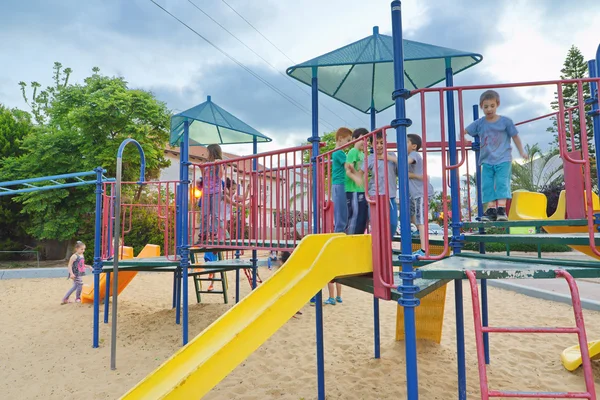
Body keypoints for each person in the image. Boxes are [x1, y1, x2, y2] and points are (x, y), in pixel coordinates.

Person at [466, 90, 527, 221]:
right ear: (481, 106)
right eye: (486, 106)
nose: (489, 109)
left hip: (503, 158)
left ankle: (501, 210)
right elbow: (464, 131)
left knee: (501, 182)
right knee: (487, 184)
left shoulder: (505, 121)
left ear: (497, 104)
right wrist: (463, 140)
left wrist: (521, 151)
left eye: (492, 106)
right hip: (486, 160)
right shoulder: (480, 123)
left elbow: (515, 136)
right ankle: (491, 210)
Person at [349, 130, 399, 237]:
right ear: (372, 144)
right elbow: (360, 174)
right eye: (376, 143)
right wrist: (351, 172)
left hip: (390, 196)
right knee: (377, 224)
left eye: (382, 142)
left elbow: (400, 171)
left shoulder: (392, 155)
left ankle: (385, 247)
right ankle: (377, 248)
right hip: (375, 196)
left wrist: (388, 158)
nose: (379, 145)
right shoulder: (370, 158)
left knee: (393, 224)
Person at [325, 127, 353, 305]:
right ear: (341, 139)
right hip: (340, 184)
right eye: (348, 140)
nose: (349, 143)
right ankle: (339, 236)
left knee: (345, 213)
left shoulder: (339, 152)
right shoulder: (339, 153)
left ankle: (341, 234)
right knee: (342, 215)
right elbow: (348, 166)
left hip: (340, 184)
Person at [345, 128, 369, 235]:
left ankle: (358, 237)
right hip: (353, 189)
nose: (365, 142)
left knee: (362, 217)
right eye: (362, 139)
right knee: (355, 215)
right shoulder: (353, 151)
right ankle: (350, 238)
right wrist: (356, 178)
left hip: (361, 189)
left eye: (367, 140)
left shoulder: (363, 155)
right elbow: (348, 168)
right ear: (354, 139)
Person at [406, 134, 427, 257]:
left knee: (420, 219)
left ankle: (424, 250)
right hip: (414, 193)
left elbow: (406, 162)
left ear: (413, 146)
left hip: (420, 193)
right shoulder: (410, 155)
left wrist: (391, 158)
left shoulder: (414, 155)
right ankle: (419, 231)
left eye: (406, 142)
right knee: (411, 214)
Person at [201, 144, 224, 240]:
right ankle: (204, 233)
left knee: (215, 213)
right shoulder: (207, 163)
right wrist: (201, 168)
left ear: (212, 152)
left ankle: (214, 232)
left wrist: (219, 165)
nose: (206, 153)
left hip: (216, 191)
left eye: (208, 151)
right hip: (206, 191)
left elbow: (220, 175)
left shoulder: (219, 162)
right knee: (205, 214)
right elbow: (204, 176)